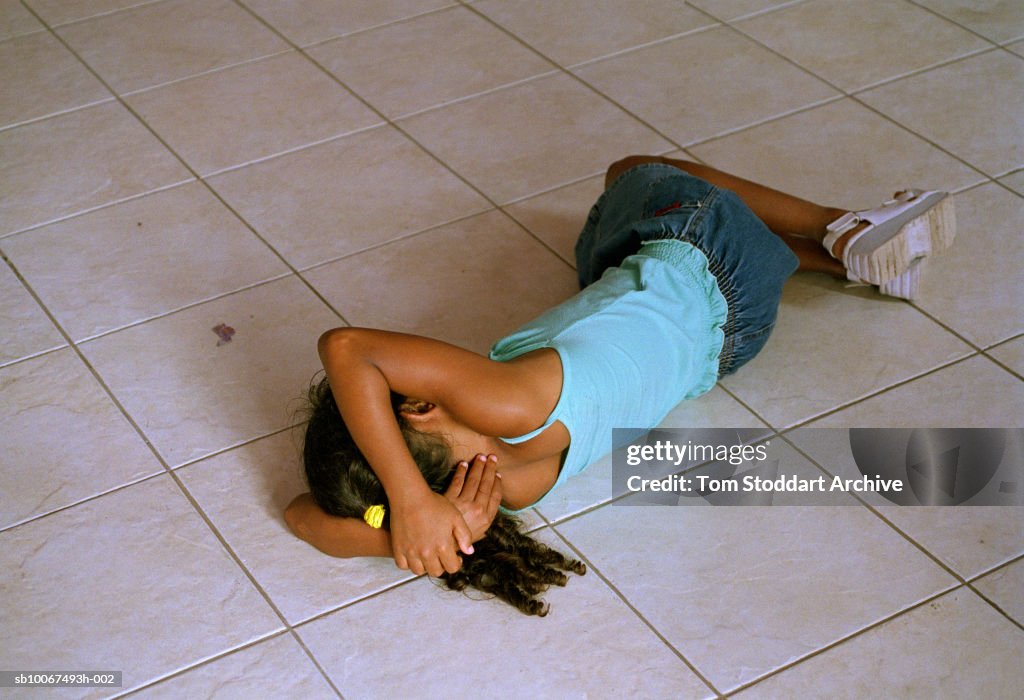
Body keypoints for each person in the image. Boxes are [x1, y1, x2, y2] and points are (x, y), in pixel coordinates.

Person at [284, 155, 955, 615]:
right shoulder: (505, 402)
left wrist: (412, 526)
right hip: (705, 252)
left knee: (599, 260)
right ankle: (839, 226)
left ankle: (846, 268)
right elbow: (346, 348)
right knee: (629, 173)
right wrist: (407, 497)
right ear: (420, 407)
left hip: (734, 341)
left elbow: (301, 518)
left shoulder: (510, 490)